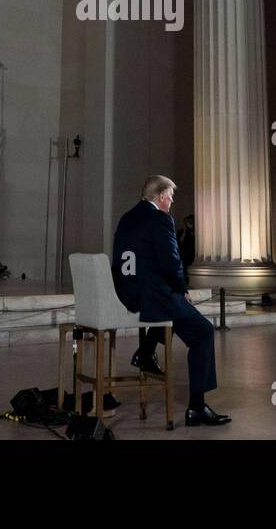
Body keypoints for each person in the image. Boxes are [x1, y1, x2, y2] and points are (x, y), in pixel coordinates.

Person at [111, 176, 230, 426]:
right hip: (151, 296)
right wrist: (182, 288)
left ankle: (145, 352)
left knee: (172, 312)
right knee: (203, 331)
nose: (172, 202)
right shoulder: (161, 219)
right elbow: (171, 261)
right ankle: (197, 407)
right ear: (162, 197)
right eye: (171, 197)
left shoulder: (126, 218)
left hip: (126, 293)